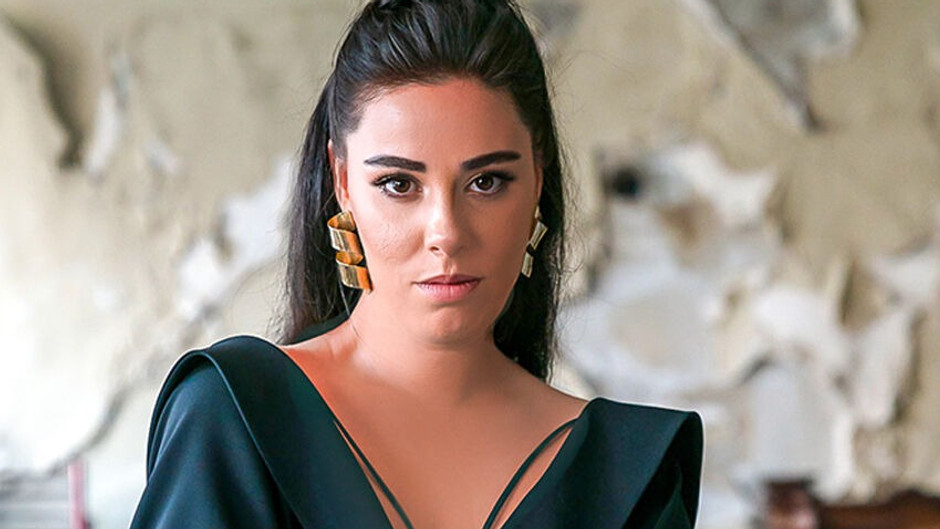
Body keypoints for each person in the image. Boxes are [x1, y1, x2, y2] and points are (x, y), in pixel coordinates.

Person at [129, 0, 704, 527]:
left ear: (537, 179)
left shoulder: (627, 474)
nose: (446, 233)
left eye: (486, 182)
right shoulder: (237, 418)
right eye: (399, 184)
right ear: (342, 181)